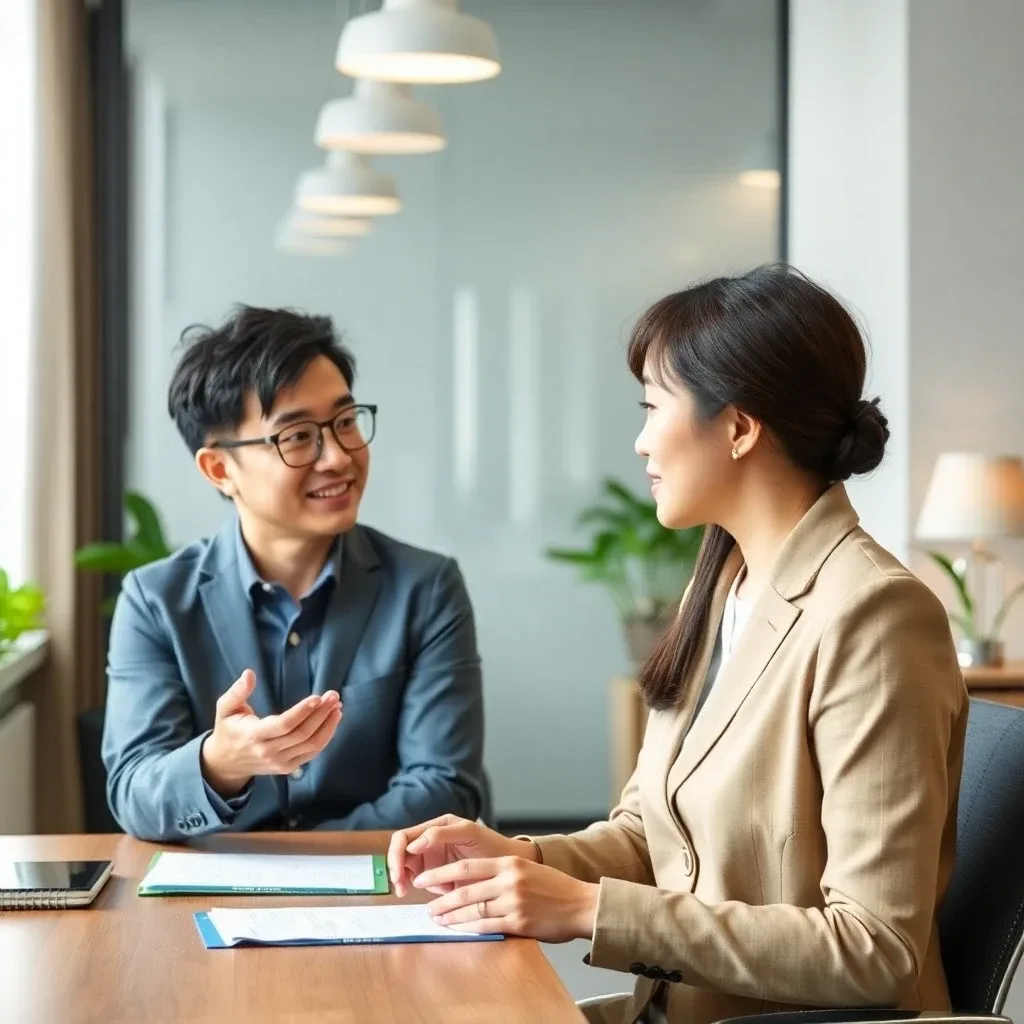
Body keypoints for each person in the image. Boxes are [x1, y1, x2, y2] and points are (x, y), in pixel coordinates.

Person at [387, 265, 967, 1024]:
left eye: (652, 406)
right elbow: (651, 833)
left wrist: (590, 911)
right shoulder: (721, 583)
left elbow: (874, 949)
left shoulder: (875, 615)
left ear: (738, 426)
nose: (639, 441)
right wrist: (520, 860)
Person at [102, 306, 489, 842]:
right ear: (220, 469)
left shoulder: (425, 588)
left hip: (381, 894)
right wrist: (220, 762)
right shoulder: (155, 601)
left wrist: (300, 865)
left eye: (346, 422)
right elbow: (134, 793)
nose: (338, 457)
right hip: (208, 905)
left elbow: (445, 786)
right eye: (299, 436)